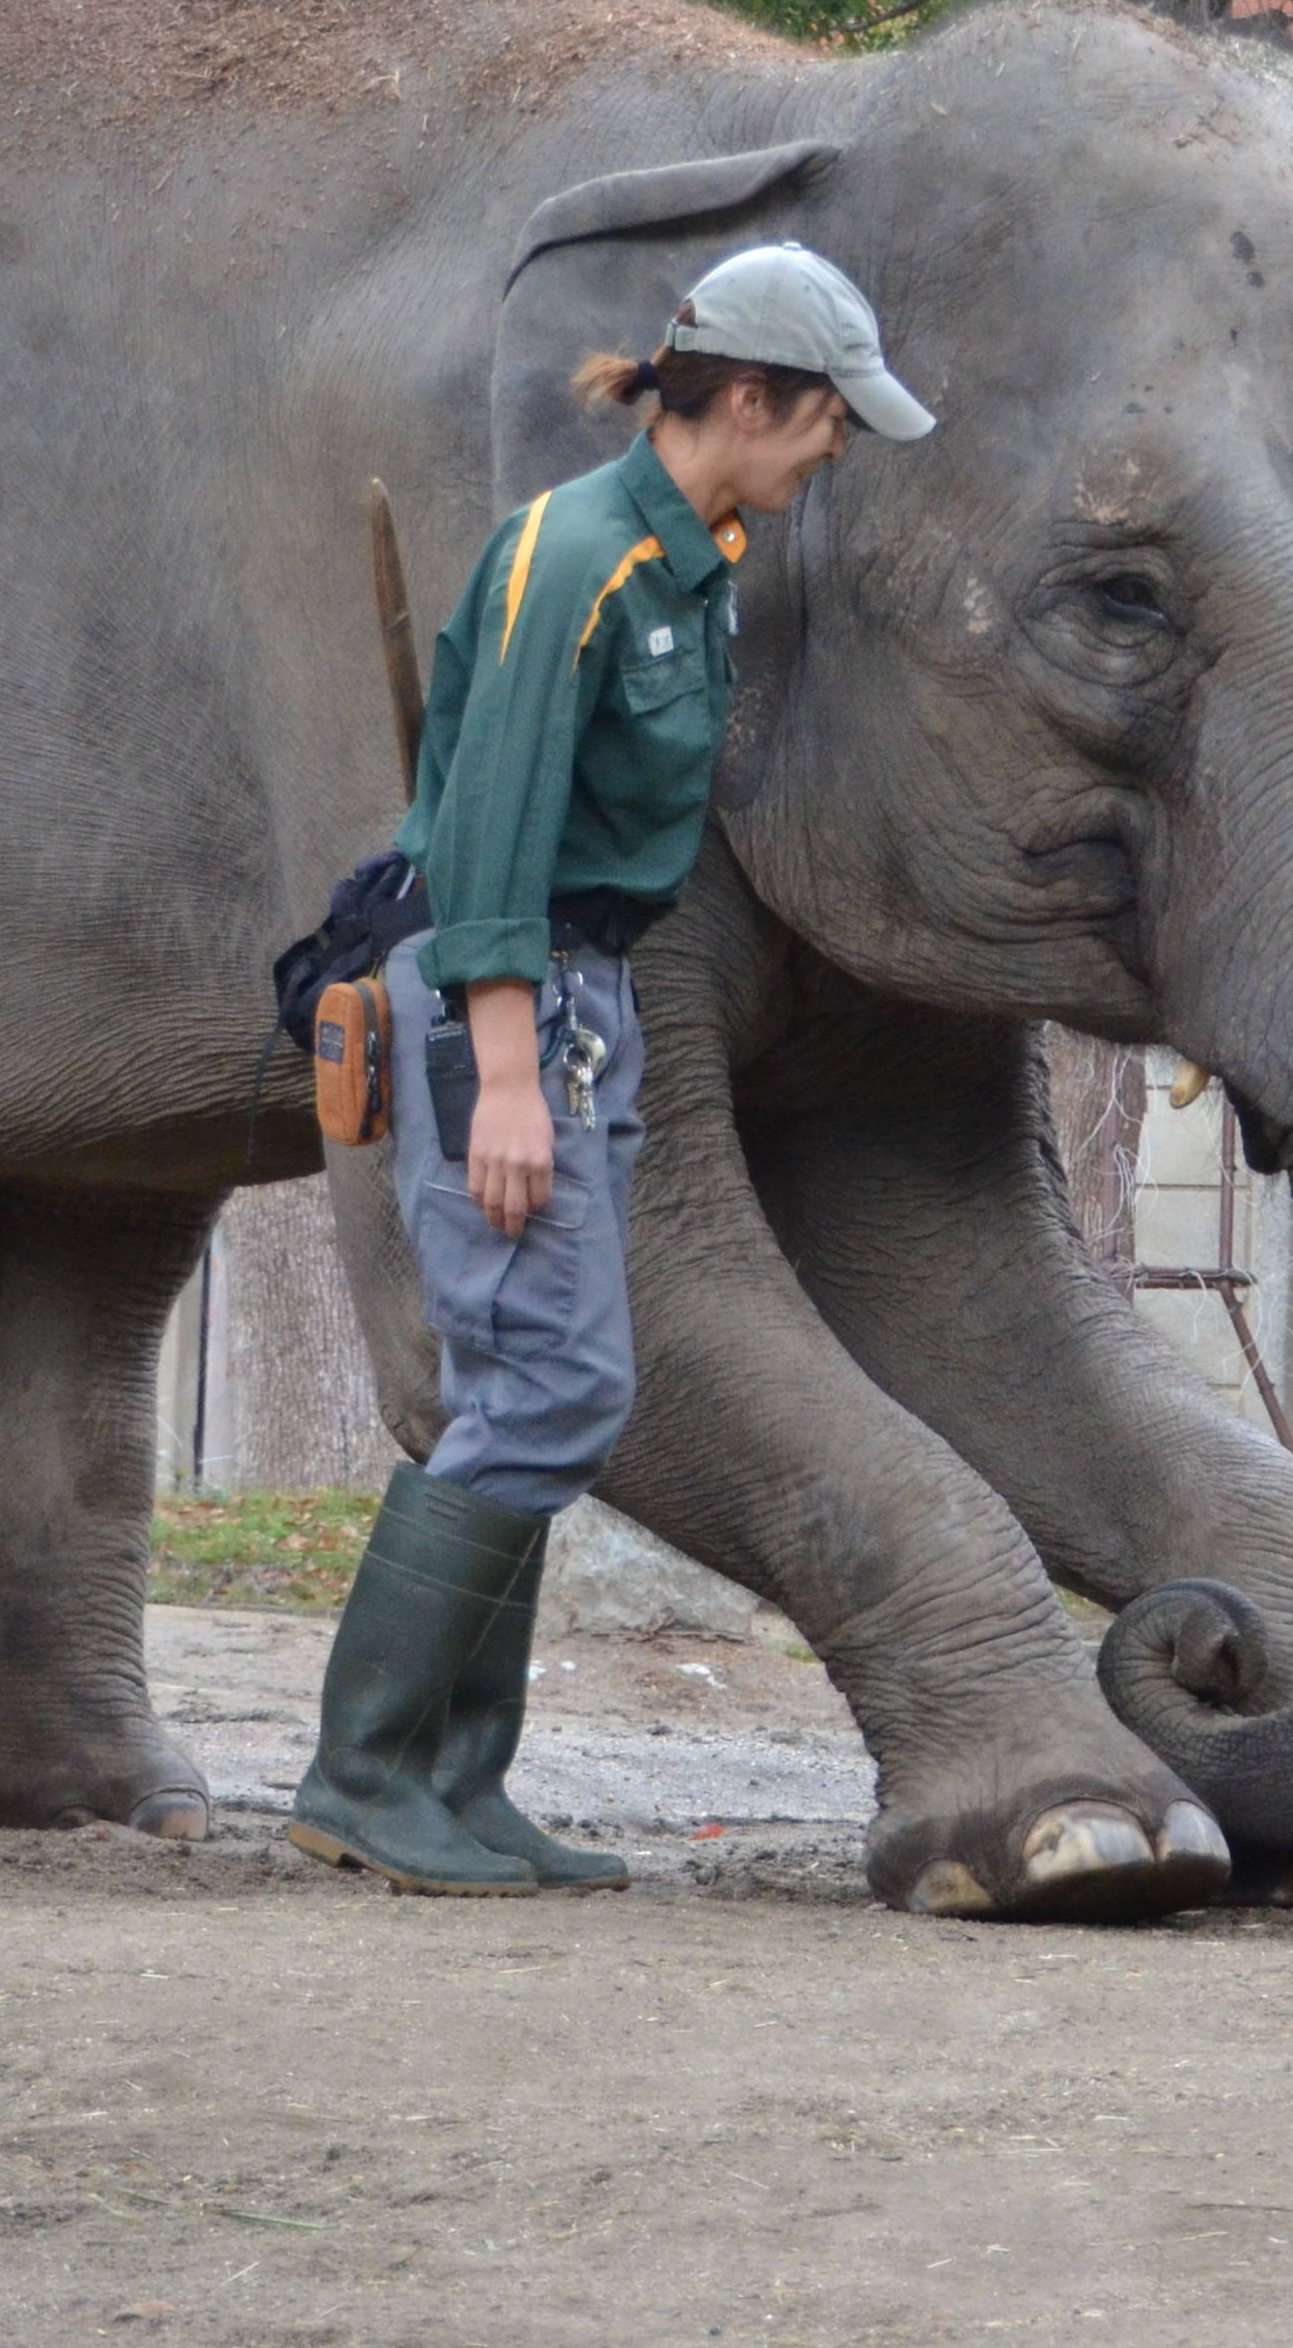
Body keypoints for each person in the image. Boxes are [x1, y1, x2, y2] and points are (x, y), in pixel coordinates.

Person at [286, 242, 931, 1895]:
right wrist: (501, 1070)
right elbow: (491, 827)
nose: (835, 449)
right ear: (750, 397)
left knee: (533, 1379)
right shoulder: (569, 558)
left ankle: (456, 1779)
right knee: (552, 1378)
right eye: (826, 419)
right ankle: (365, 1770)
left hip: (585, 991)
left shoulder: (682, 562)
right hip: (506, 997)